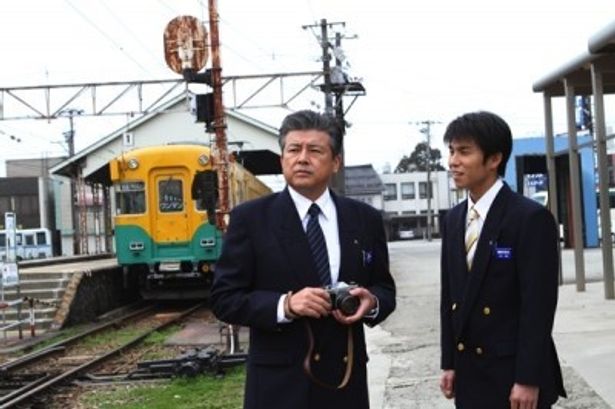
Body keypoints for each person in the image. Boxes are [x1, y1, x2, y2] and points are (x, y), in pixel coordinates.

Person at [211, 109, 396, 409]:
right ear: (282, 158)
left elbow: (385, 289)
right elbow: (224, 299)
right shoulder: (251, 219)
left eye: (315, 150)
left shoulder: (364, 219)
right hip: (279, 386)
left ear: (335, 162)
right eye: (293, 149)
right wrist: (286, 304)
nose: (302, 158)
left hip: (344, 382)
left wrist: (370, 303)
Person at [439, 111, 567, 409]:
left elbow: (538, 306)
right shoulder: (455, 219)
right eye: (451, 151)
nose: (453, 161)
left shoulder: (529, 218)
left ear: (494, 159)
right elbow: (450, 299)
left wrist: (527, 378)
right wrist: (449, 362)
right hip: (469, 371)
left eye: (464, 152)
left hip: (512, 375)